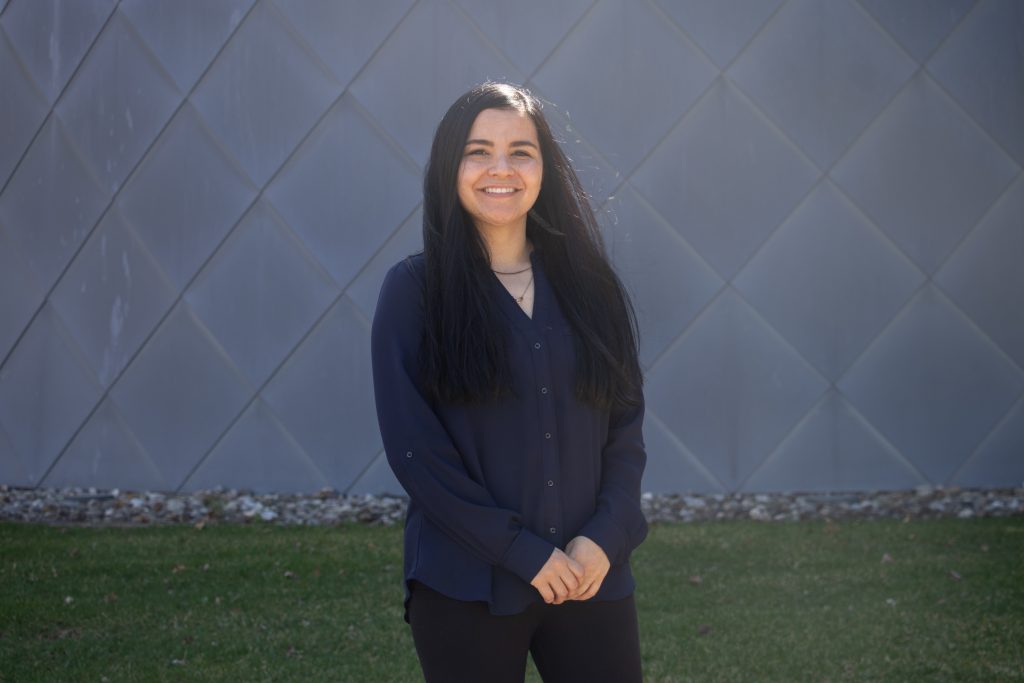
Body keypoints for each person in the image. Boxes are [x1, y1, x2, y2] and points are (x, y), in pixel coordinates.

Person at [370, 82, 648, 683]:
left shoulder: (590, 287)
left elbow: (625, 431)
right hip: (466, 585)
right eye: (478, 151)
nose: (502, 169)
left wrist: (603, 539)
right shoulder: (414, 293)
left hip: (588, 578)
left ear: (545, 167)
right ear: (451, 167)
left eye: (521, 151)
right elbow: (417, 454)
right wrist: (524, 553)